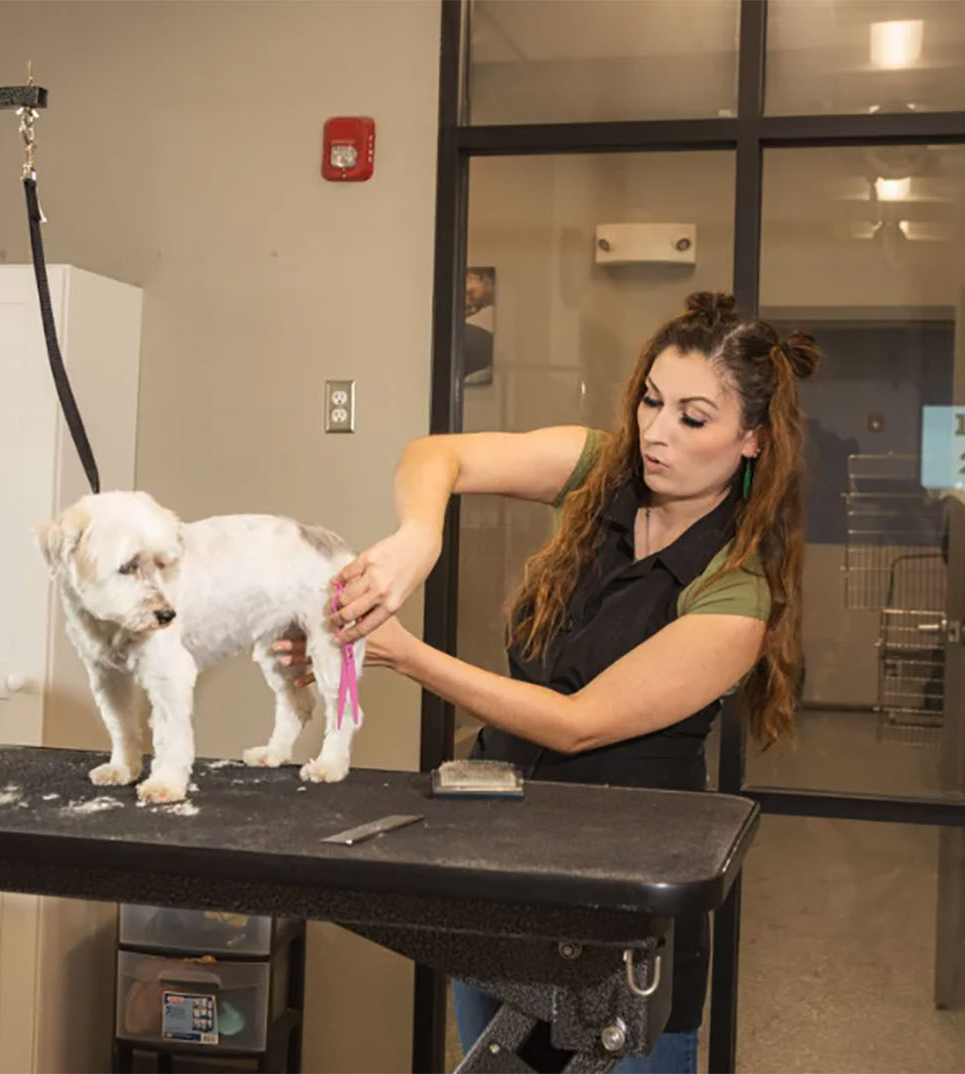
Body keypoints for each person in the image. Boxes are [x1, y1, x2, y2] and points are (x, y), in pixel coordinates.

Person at [274, 291, 820, 1071]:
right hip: (500, 866)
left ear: (753, 442)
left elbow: (576, 723)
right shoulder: (604, 470)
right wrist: (416, 541)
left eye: (693, 419)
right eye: (651, 401)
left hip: (625, 911)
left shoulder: (736, 594)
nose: (657, 432)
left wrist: (403, 652)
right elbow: (437, 454)